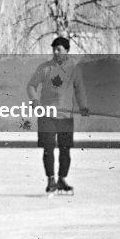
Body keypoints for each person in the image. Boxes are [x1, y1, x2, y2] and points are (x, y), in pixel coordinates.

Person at [26, 35, 90, 194]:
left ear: (67, 50)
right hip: (47, 115)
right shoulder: (45, 68)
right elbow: (31, 86)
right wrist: (34, 100)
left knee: (65, 149)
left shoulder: (74, 69)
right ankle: (51, 180)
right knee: (48, 148)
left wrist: (83, 106)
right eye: (54, 49)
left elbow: (80, 89)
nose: (55, 52)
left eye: (59, 49)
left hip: (65, 117)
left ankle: (62, 179)